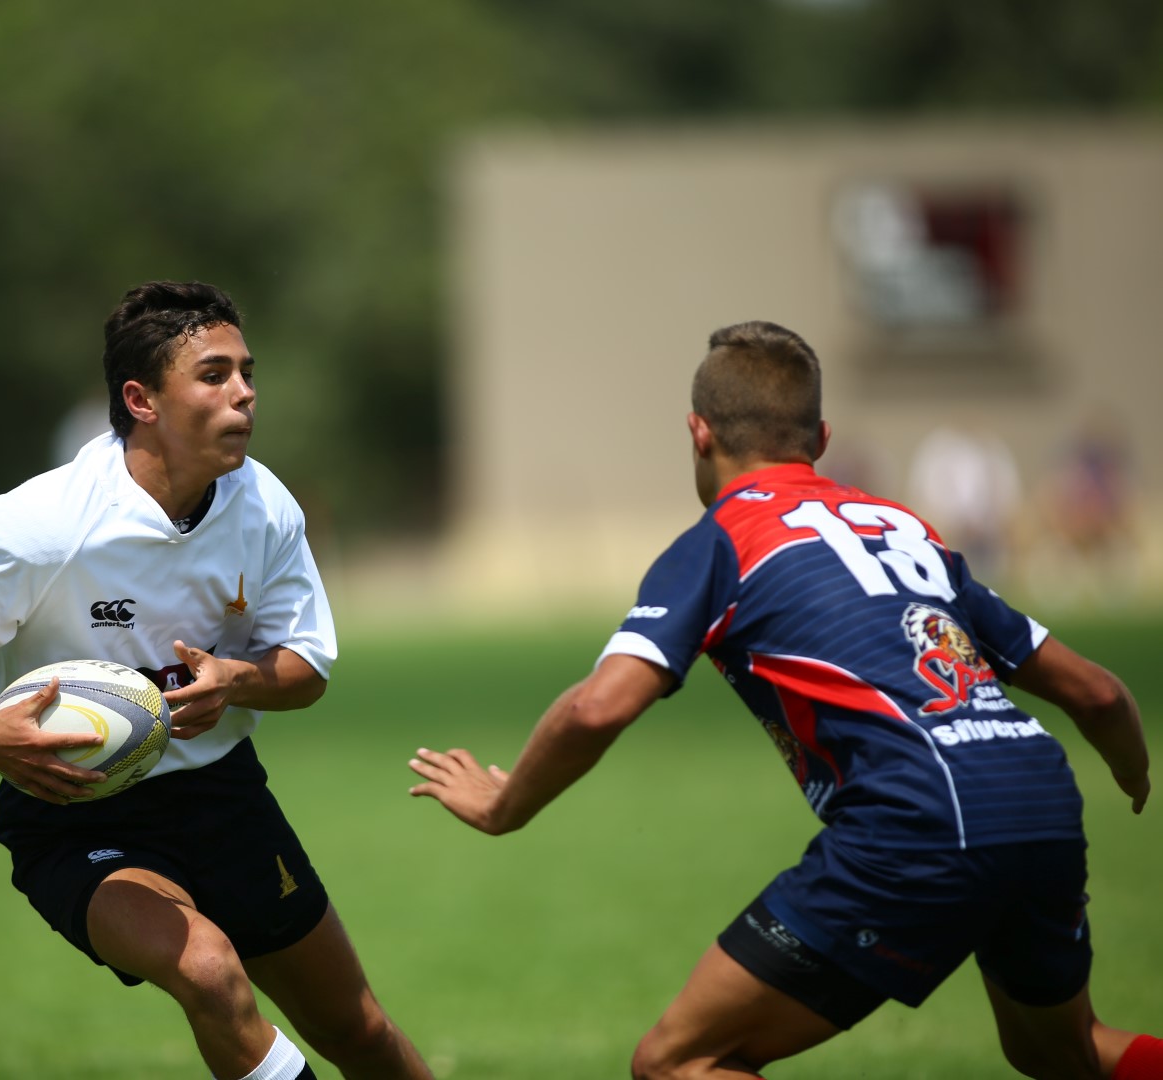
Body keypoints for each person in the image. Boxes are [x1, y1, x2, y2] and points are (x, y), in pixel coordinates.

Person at [408, 320, 1159, 1080]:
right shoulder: (907, 530)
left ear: (698, 433)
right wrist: (1131, 772)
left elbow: (597, 707)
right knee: (1062, 1051)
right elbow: (1098, 693)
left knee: (678, 1062)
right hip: (1038, 797)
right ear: (821, 439)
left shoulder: (722, 539)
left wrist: (506, 806)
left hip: (918, 817)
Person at [0, 281, 431, 1080]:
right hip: (73, 809)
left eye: (246, 372)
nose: (244, 393)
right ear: (141, 400)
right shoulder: (43, 525)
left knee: (358, 1030)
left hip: (222, 797)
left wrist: (235, 680)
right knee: (207, 970)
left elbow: (307, 668)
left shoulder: (265, 506)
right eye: (214, 374)